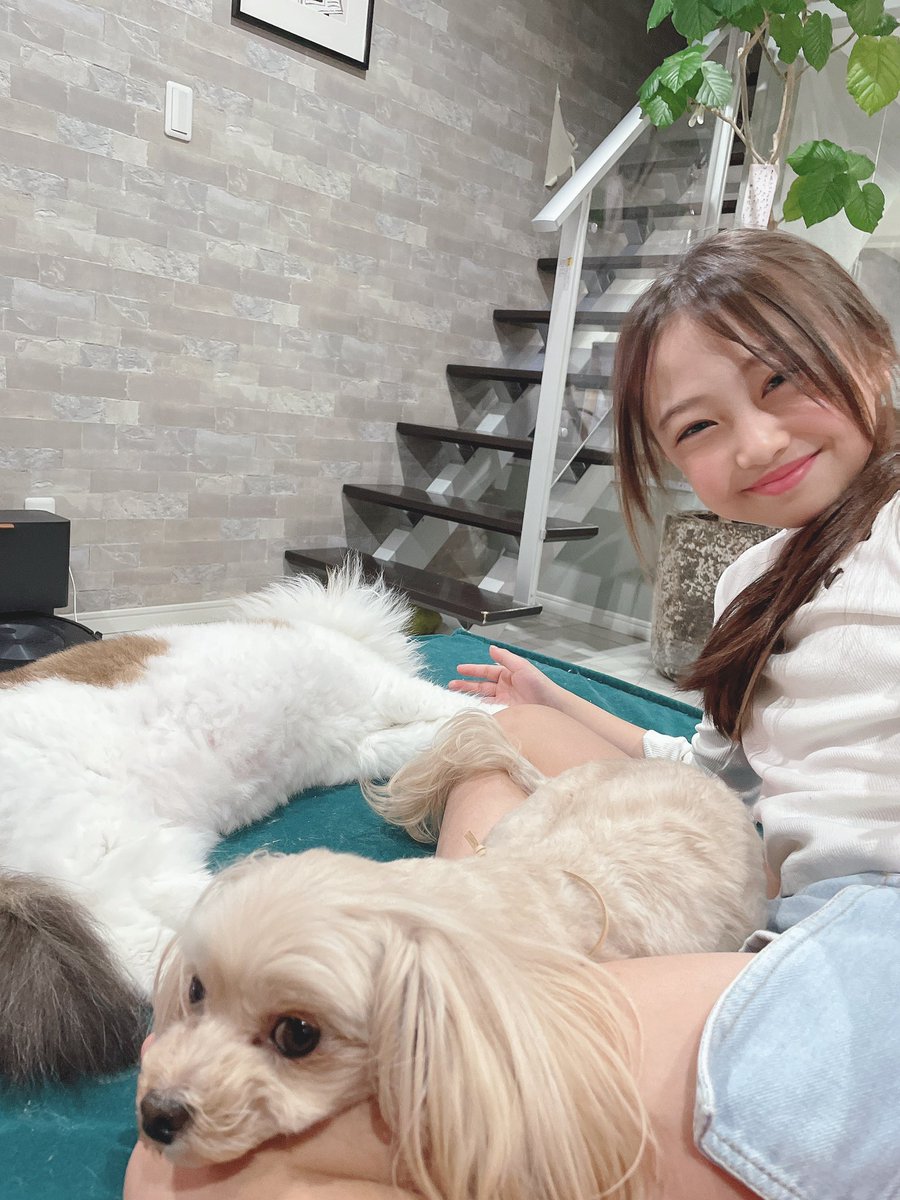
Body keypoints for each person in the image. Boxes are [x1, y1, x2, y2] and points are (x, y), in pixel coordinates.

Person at [125, 229, 900, 1200]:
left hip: (866, 962)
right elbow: (713, 777)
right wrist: (557, 703)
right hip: (795, 914)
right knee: (495, 737)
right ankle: (454, 937)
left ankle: (425, 982)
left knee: (188, 1169)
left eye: (781, 380)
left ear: (874, 350)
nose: (755, 442)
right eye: (699, 427)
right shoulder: (752, 578)